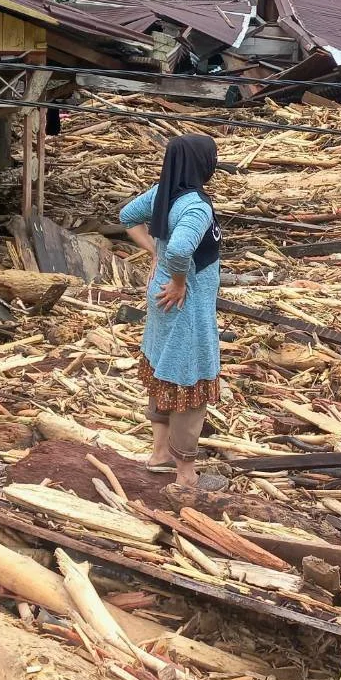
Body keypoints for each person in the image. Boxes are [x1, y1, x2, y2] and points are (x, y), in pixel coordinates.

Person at [120, 134, 222, 486]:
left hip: (161, 298)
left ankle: (159, 452)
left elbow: (127, 216)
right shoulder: (195, 207)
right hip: (184, 304)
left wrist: (155, 255)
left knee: (163, 367)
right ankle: (185, 473)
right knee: (189, 377)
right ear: (203, 164)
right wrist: (178, 279)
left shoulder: (164, 192)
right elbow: (180, 251)